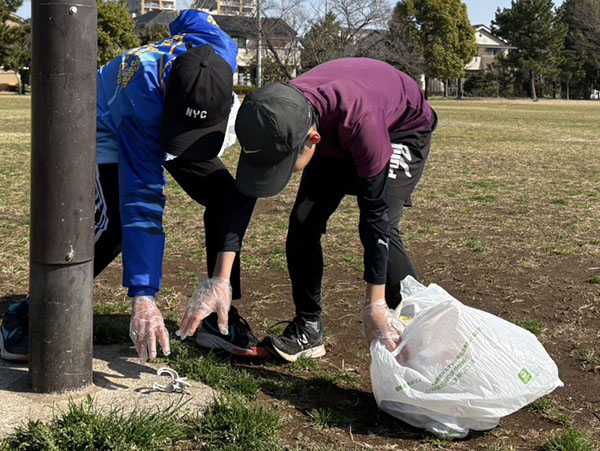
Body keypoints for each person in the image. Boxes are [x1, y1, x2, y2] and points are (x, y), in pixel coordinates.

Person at [0, 10, 266, 364]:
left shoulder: (221, 48)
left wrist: (175, 34)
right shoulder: (140, 105)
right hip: (109, 121)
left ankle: (218, 314)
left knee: (226, 197)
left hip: (172, 114)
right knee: (115, 225)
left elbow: (189, 17)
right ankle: (28, 313)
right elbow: (141, 202)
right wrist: (144, 296)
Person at [176, 57, 437, 362]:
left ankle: (423, 334)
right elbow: (243, 199)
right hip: (335, 128)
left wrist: (375, 304)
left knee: (384, 228)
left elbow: (375, 215)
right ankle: (309, 327)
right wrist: (220, 280)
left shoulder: (361, 123)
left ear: (312, 141)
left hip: (399, 130)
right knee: (304, 222)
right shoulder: (275, 113)